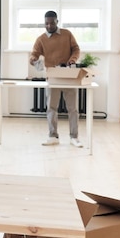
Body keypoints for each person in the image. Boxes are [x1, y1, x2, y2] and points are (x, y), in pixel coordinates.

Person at [29, 10, 82, 147]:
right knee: (51, 107)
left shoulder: (67, 34)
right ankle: (53, 136)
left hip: (68, 76)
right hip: (52, 76)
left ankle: (74, 137)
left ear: (57, 21)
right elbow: (34, 54)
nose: (49, 26)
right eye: (46, 23)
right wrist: (33, 59)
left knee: (73, 109)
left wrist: (72, 60)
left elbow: (76, 49)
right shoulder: (41, 39)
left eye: (52, 23)